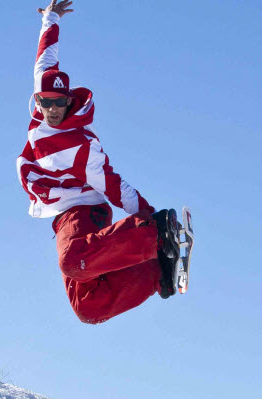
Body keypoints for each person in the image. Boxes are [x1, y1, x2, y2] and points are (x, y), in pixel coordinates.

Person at [17, 0, 180, 325]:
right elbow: (45, 60)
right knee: (88, 307)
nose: (52, 110)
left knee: (73, 259)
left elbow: (113, 185)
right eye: (45, 102)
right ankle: (156, 272)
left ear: (69, 101)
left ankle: (155, 237)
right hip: (62, 219)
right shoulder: (40, 110)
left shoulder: (81, 142)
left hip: (84, 211)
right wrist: (51, 19)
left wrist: (153, 220)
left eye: (59, 103)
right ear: (37, 99)